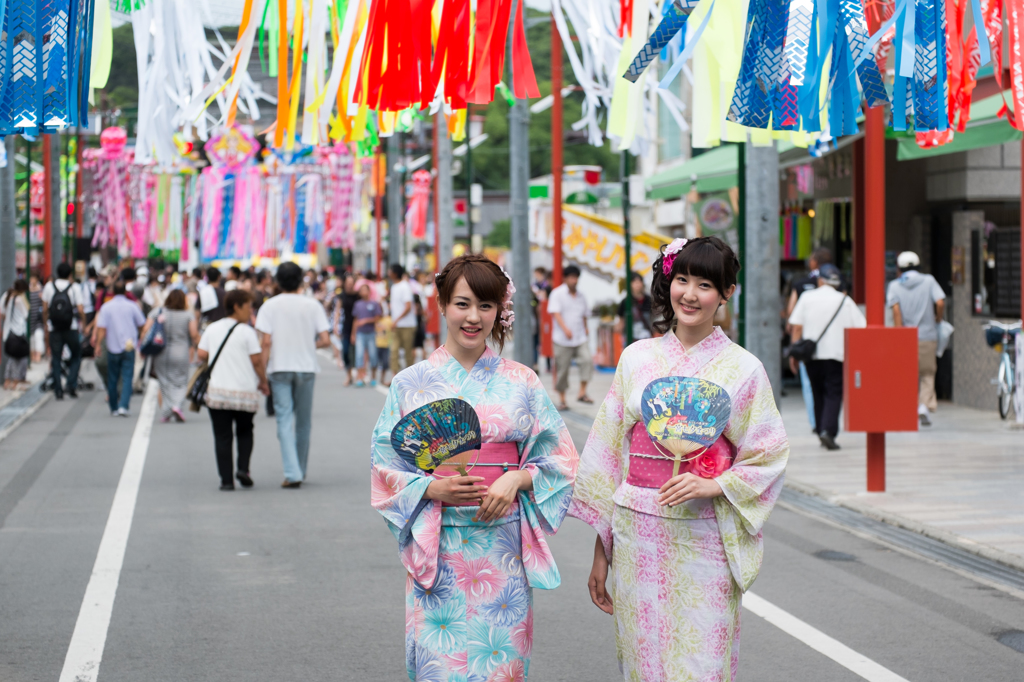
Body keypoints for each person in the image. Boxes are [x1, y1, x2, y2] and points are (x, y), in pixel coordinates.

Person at [569, 236, 789, 682]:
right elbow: (610, 455)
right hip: (637, 533)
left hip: (704, 532)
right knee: (643, 660)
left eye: (705, 284)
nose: (690, 294)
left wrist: (715, 484)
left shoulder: (743, 368)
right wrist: (601, 549)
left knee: (702, 661)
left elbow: (768, 452)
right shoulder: (636, 358)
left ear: (726, 292)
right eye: (682, 279)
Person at [370, 254, 578, 682]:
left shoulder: (522, 380)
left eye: (486, 306)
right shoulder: (411, 382)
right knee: (439, 665)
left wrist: (517, 477)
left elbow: (560, 458)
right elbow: (384, 464)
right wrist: (429, 490)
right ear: (442, 304)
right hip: (439, 544)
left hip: (502, 545)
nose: (474, 317)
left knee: (501, 666)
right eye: (462, 303)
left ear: (500, 311)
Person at [255, 262, 331, 488]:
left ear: (277, 281)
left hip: (279, 368)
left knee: (284, 420)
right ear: (300, 281)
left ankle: (292, 472)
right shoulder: (312, 305)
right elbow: (325, 340)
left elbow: (265, 342)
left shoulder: (269, 306)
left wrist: (261, 375)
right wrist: (307, 345)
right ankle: (300, 468)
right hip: (307, 367)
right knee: (304, 422)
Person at [788, 263, 866, 450]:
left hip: (811, 355)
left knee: (817, 392)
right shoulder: (844, 300)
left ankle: (820, 428)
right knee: (834, 393)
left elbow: (797, 326)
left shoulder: (807, 297)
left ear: (820, 280)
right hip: (837, 355)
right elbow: (861, 327)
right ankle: (828, 431)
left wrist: (794, 353)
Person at [198, 290, 269, 490]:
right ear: (237, 307)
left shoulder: (212, 328)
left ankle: (226, 480)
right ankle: (243, 469)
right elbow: (256, 361)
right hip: (244, 391)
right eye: (248, 306)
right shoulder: (247, 332)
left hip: (218, 392)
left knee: (222, 436)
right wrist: (263, 381)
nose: (251, 311)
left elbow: (202, 353)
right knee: (245, 431)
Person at [887, 251, 947, 427]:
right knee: (927, 373)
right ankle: (924, 406)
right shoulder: (928, 280)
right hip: (927, 335)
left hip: (906, 336)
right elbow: (941, 302)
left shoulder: (894, 285)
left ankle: (909, 408)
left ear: (899, 268)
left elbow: (896, 311)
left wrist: (900, 334)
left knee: (908, 374)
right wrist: (938, 319)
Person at [785, 248, 832, 433]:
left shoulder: (801, 284)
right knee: (832, 387)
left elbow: (792, 315)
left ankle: (816, 423)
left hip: (807, 345)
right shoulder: (839, 284)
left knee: (810, 386)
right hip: (833, 343)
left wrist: (794, 348)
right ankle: (828, 423)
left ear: (813, 263)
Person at [142, 289, 198, 423]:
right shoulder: (188, 315)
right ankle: (176, 406)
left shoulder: (158, 312)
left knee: (164, 381)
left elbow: (145, 329)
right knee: (181, 381)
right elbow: (194, 334)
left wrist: (143, 347)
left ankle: (167, 410)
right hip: (181, 351)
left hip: (161, 352)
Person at [94, 281, 146, 416]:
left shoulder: (106, 307)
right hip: (129, 345)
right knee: (127, 377)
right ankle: (123, 405)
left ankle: (114, 407)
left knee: (112, 377)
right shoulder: (132, 306)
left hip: (112, 345)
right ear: (125, 292)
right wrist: (140, 337)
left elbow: (101, 328)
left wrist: (98, 345)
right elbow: (142, 324)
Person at [547, 264, 593, 409]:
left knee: (587, 361)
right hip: (562, 339)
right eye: (571, 277)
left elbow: (585, 314)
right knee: (562, 369)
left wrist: (586, 328)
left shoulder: (581, 296)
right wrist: (565, 329)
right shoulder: (557, 293)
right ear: (565, 278)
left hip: (579, 337)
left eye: (576, 277)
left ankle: (582, 392)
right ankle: (562, 399)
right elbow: (556, 313)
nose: (574, 280)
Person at [42, 262, 85, 399]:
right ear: (69, 274)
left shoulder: (49, 286)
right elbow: (80, 309)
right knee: (76, 355)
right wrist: (83, 323)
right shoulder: (75, 287)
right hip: (70, 327)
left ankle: (58, 390)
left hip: (54, 328)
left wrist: (46, 324)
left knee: (56, 358)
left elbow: (44, 309)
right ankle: (71, 384)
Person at [387, 264, 417, 375]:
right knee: (394, 351)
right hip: (397, 324)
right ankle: (394, 377)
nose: (388, 273)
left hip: (407, 325)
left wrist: (396, 320)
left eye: (390, 271)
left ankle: (411, 377)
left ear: (395, 273)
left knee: (408, 352)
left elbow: (408, 306)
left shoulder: (405, 286)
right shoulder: (394, 287)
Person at [351, 283, 383, 387]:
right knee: (359, 355)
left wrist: (366, 321)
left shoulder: (374, 304)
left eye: (365, 290)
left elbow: (378, 317)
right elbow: (355, 320)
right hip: (360, 333)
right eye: (362, 290)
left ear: (369, 292)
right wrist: (353, 333)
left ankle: (373, 377)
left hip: (371, 333)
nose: (363, 292)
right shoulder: (357, 304)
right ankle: (360, 377)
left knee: (373, 355)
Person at [1, 280, 30, 390]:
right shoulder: (19, 299)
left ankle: (7, 380)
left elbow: (2, 313)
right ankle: (15, 382)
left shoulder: (6, 296)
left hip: (9, 332)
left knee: (12, 358)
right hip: (18, 332)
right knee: (19, 358)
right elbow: (26, 314)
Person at [332, 274, 358, 383]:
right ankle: (348, 374)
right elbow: (337, 311)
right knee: (346, 351)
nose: (349, 286)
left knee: (357, 352)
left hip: (358, 326)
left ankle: (358, 374)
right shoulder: (341, 296)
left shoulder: (358, 296)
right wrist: (335, 324)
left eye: (351, 284)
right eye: (347, 284)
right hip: (346, 325)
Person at [614, 272, 653, 344]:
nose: (637, 284)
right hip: (630, 340)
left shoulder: (649, 300)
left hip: (647, 338)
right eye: (634, 282)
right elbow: (621, 321)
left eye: (639, 281)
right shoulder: (625, 302)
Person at [195, 266, 226, 331]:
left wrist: (196, 329)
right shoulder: (224, 293)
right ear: (219, 277)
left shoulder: (203, 292)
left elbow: (197, 314)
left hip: (207, 327)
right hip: (223, 327)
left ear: (207, 277)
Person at [28, 274, 44, 363]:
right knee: (31, 338)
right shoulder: (27, 289)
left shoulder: (41, 289)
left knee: (38, 336)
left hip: (38, 317)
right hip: (30, 317)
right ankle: (32, 356)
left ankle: (38, 356)